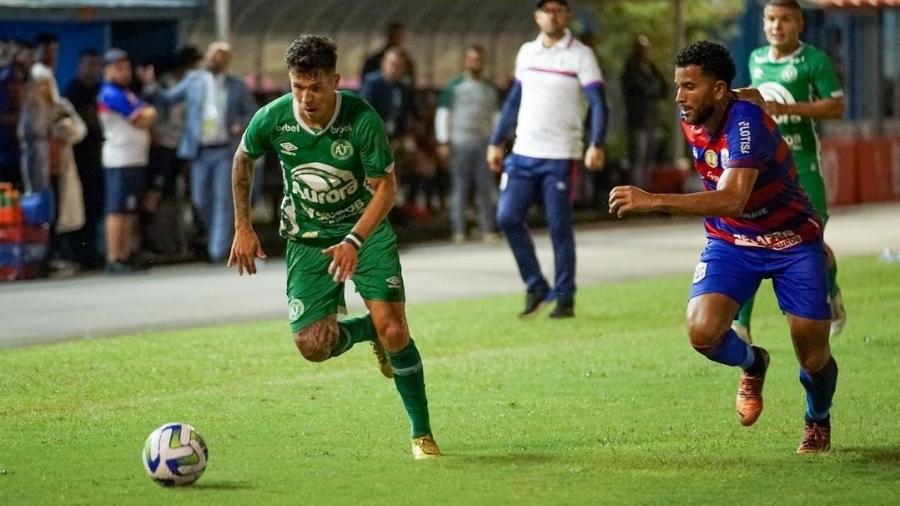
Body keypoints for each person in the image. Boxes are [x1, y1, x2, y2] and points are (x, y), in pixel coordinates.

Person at [609, 41, 838, 453]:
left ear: (717, 90)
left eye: (689, 86)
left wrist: (653, 199)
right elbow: (730, 208)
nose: (679, 96)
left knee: (813, 355)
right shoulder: (695, 113)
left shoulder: (745, 123)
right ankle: (754, 363)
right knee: (702, 332)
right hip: (731, 240)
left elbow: (734, 197)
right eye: (678, 85)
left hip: (791, 240)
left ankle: (817, 419)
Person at [228, 34, 441, 460]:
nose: (306, 98)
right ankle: (367, 332)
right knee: (313, 346)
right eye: (297, 87)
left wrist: (353, 240)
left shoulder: (361, 119)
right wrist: (243, 227)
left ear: (336, 80)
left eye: (316, 87)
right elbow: (243, 158)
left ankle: (422, 434)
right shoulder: (274, 118)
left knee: (396, 329)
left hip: (366, 232)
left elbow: (387, 188)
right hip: (307, 238)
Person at [487, 0, 608, 318]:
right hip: (524, 153)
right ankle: (536, 285)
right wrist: (496, 141)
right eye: (546, 10)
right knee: (507, 217)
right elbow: (514, 100)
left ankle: (565, 296)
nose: (552, 16)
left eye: (558, 10)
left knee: (558, 226)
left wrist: (595, 143)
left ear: (567, 15)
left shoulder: (581, 54)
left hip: (561, 155)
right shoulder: (527, 52)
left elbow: (598, 103)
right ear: (536, 16)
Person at [741, 0, 846, 341]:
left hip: (803, 164)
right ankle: (740, 324)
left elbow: (836, 106)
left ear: (799, 23)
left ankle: (830, 293)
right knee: (750, 238)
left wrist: (787, 108)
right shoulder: (756, 58)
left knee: (811, 238)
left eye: (785, 19)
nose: (777, 26)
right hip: (766, 168)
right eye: (771, 19)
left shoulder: (814, 60)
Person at [139, 41, 257, 263]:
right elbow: (167, 99)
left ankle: (218, 251)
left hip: (225, 150)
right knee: (200, 199)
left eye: (221, 56)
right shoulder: (193, 81)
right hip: (199, 150)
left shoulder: (237, 85)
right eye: (212, 55)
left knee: (224, 198)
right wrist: (151, 86)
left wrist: (241, 123)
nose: (215, 59)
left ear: (227, 60)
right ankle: (219, 238)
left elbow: (252, 111)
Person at [18, 63, 87, 274]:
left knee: (60, 215)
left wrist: (64, 128)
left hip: (61, 169)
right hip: (38, 170)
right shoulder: (29, 109)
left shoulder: (61, 106)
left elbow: (80, 131)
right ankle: (42, 259)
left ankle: (59, 255)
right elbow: (24, 135)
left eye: (46, 84)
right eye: (38, 85)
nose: (43, 89)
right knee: (41, 215)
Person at [98, 48, 157, 273]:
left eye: (127, 68)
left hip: (135, 158)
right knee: (117, 209)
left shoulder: (128, 93)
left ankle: (127, 253)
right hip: (119, 159)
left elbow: (149, 114)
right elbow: (141, 119)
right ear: (108, 70)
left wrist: (148, 114)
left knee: (130, 209)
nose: (125, 73)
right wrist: (147, 114)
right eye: (119, 68)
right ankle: (114, 257)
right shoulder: (110, 94)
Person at [435, 45, 500, 243]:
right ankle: (459, 230)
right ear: (466, 61)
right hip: (460, 141)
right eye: (472, 59)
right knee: (460, 187)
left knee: (485, 187)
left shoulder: (489, 89)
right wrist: (443, 140)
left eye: (478, 59)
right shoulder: (454, 86)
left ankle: (488, 228)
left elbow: (496, 116)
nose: (475, 63)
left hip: (484, 141)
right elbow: (443, 114)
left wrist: (497, 140)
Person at [64, 48, 105, 269]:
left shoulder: (100, 89)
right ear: (80, 65)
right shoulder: (73, 90)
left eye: (97, 64)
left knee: (95, 208)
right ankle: (78, 254)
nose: (93, 69)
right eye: (89, 64)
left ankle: (91, 253)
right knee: (79, 209)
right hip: (78, 159)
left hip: (97, 158)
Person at [622, 35, 667, 189]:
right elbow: (640, 89)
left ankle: (646, 189)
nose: (645, 52)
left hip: (653, 120)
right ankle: (636, 191)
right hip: (638, 121)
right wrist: (652, 88)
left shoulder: (652, 68)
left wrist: (652, 88)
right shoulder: (630, 68)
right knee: (638, 159)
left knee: (650, 159)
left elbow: (664, 88)